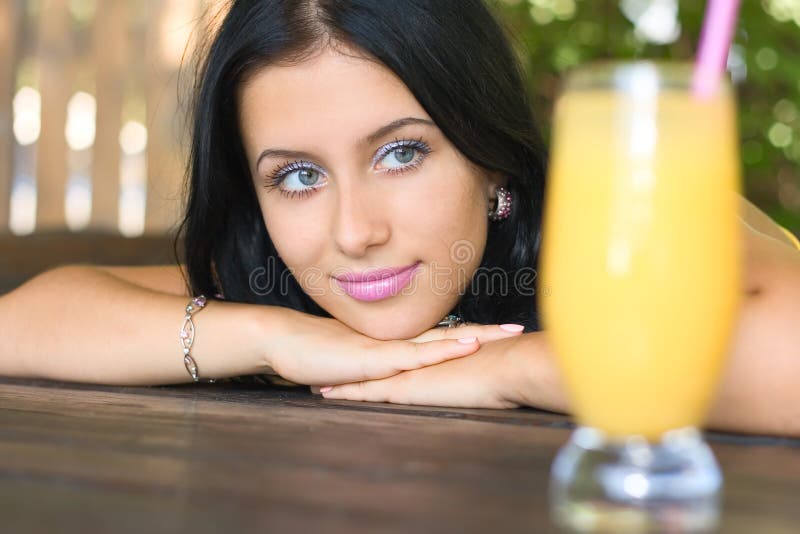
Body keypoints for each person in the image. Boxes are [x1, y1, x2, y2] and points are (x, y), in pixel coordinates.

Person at [1, 0, 799, 437]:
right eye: (300, 176)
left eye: (401, 154)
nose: (353, 234)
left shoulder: (621, 210)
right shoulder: (286, 280)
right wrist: (276, 336)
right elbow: (22, 324)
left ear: (487, 152)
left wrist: (509, 370)